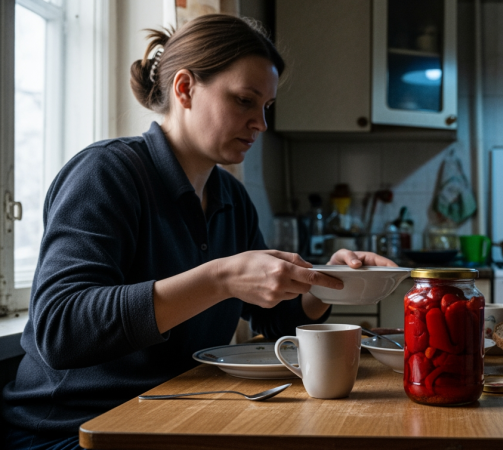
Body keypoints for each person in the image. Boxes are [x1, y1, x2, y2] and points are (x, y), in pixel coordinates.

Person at [1, 15, 395, 449]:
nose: (261, 123)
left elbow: (273, 317)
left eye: (266, 107)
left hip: (170, 413)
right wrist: (220, 278)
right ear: (185, 88)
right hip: (69, 431)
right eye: (245, 100)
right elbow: (62, 329)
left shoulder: (230, 196)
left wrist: (327, 283)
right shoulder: (106, 173)